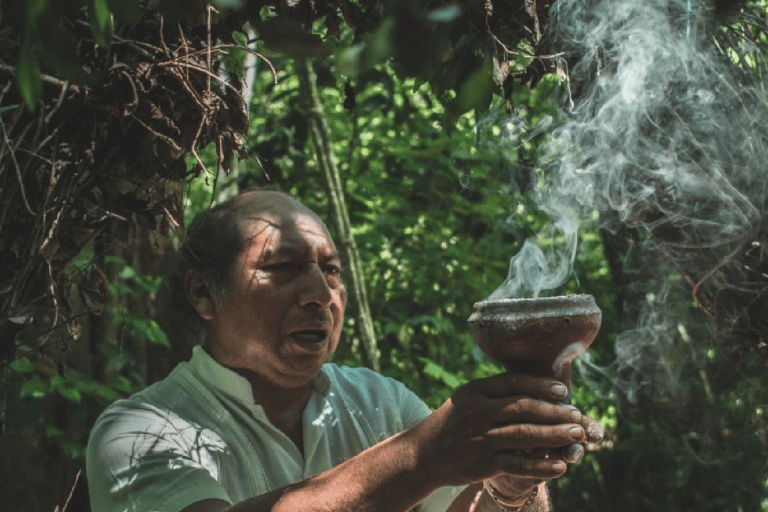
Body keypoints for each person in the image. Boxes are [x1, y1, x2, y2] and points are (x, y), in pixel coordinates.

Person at [86, 190, 603, 512]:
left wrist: (510, 486)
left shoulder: (379, 400)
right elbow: (424, 460)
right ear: (204, 293)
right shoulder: (139, 431)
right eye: (282, 267)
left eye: (331, 270)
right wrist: (422, 458)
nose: (320, 294)